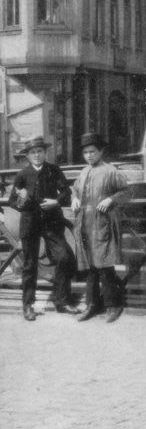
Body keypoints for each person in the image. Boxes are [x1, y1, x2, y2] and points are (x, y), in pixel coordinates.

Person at [10, 136, 77, 321]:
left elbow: (66, 192)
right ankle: (28, 305)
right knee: (30, 264)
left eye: (40, 151)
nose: (37, 155)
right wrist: (22, 202)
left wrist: (56, 201)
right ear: (27, 156)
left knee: (64, 257)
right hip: (30, 224)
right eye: (33, 152)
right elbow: (12, 201)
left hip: (51, 223)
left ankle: (61, 300)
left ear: (45, 152)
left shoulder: (53, 170)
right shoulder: (22, 175)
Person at [71, 132, 129, 323]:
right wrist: (75, 199)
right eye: (86, 152)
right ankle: (92, 305)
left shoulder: (111, 171)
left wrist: (111, 198)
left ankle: (113, 306)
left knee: (105, 267)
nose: (89, 155)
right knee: (90, 269)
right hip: (85, 225)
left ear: (101, 151)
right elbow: (75, 189)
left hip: (102, 224)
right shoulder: (84, 171)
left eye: (93, 151)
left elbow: (126, 192)